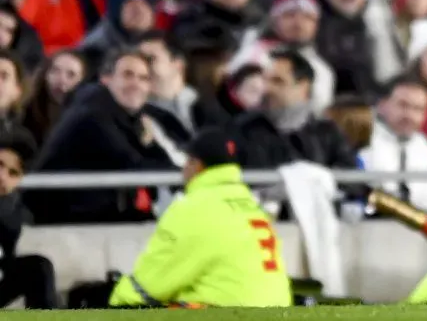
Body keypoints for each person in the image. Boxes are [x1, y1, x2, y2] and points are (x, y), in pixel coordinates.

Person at [108, 127, 292, 308]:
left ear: (195, 165)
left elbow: (151, 284)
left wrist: (112, 298)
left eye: (187, 161)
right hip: (277, 313)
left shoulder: (192, 209)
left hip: (226, 318)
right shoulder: (252, 207)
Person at [0, 127, 59, 309]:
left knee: (38, 267)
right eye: (0, 165)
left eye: (13, 173)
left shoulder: (14, 208)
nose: (2, 177)